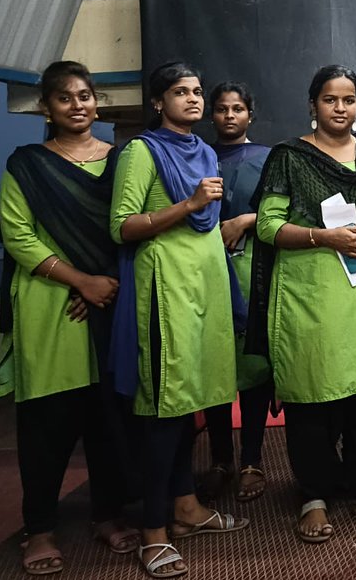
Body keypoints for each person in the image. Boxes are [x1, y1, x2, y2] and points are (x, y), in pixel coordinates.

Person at [247, 65, 356, 541]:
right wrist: (324, 237)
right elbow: (267, 226)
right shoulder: (290, 157)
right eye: (331, 99)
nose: (341, 108)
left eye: (349, 100)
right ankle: (313, 496)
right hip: (311, 292)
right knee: (314, 391)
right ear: (313, 105)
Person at [110, 61, 248, 579]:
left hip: (205, 289)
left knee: (192, 403)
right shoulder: (141, 152)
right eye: (179, 92)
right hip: (164, 292)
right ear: (157, 102)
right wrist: (188, 203)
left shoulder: (205, 151)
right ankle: (153, 531)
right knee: (164, 409)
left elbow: (209, 226)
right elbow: (123, 226)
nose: (192, 99)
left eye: (196, 91)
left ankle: (187, 508)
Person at [0, 61, 134, 576]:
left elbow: (130, 226)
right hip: (50, 304)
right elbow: (18, 235)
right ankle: (39, 529)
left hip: (112, 302)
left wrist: (106, 281)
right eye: (65, 98)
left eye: (85, 96)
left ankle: (107, 514)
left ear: (97, 102)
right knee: (46, 425)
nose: (77, 105)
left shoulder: (122, 162)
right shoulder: (28, 165)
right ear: (46, 108)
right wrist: (81, 281)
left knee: (108, 419)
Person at [198, 82, 274, 503]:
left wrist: (246, 220)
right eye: (222, 109)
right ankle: (221, 460)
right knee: (215, 367)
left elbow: (287, 209)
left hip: (252, 273)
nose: (230, 116)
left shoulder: (267, 158)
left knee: (253, 367)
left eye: (238, 109)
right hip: (205, 274)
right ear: (212, 114)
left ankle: (251, 460)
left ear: (250, 114)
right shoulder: (198, 156)